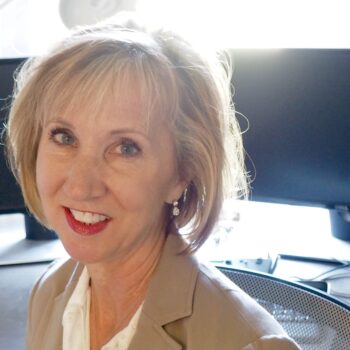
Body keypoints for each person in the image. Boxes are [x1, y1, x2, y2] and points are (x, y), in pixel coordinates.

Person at [5, 13, 300, 350]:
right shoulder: (50, 291)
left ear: (181, 174)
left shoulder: (252, 344)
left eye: (126, 148)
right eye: (65, 137)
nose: (80, 186)